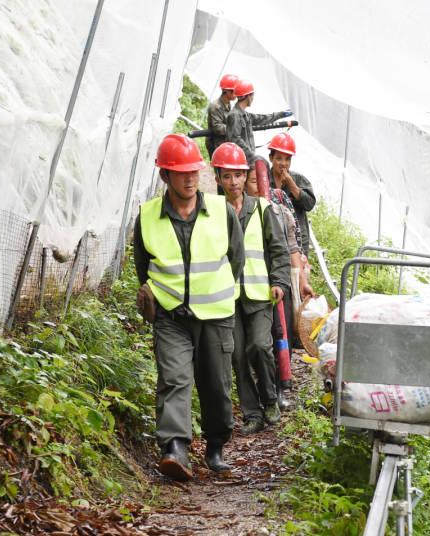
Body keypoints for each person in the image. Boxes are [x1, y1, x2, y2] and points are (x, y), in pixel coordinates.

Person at [133, 134, 244, 481]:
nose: (191, 178)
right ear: (165, 176)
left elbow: (235, 260)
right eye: (181, 172)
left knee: (215, 384)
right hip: (171, 316)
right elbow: (143, 267)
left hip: (215, 315)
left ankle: (215, 446)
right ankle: (175, 449)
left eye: (194, 170)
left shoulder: (221, 212)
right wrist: (165, 298)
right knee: (174, 379)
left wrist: (211, 291)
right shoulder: (148, 216)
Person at [213, 142, 291, 434]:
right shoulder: (213, 212)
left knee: (259, 346)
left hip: (259, 294)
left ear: (246, 176)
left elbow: (279, 249)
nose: (233, 182)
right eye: (227, 176)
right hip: (227, 296)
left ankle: (270, 398)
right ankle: (251, 414)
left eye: (238, 175)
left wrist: (279, 282)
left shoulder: (261, 208)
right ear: (218, 178)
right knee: (237, 355)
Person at [246, 161, 314, 408]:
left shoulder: (280, 209)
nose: (258, 186)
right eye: (253, 181)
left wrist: (302, 282)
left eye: (258, 181)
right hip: (251, 285)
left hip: (278, 282)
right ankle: (264, 387)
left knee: (280, 333)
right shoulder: (237, 212)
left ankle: (282, 386)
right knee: (257, 342)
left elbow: (293, 248)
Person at [267, 132, 316, 256]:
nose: (283, 163)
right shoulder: (264, 179)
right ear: (271, 158)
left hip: (297, 241)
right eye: (279, 158)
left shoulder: (298, 179)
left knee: (297, 273)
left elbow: (309, 204)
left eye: (287, 159)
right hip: (272, 238)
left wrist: (292, 185)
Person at [226, 79, 292, 165]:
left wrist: (281, 114)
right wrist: (251, 155)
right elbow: (235, 139)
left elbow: (262, 119)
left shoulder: (245, 114)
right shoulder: (234, 115)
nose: (253, 98)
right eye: (252, 95)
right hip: (240, 160)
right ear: (248, 96)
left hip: (246, 159)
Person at [206, 74, 239, 159]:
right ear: (226, 91)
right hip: (216, 144)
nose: (236, 94)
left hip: (224, 143)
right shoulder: (215, 106)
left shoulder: (228, 104)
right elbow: (218, 128)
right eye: (234, 91)